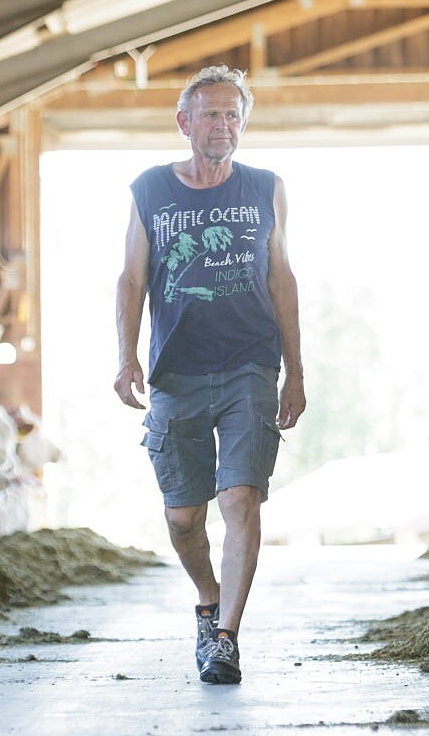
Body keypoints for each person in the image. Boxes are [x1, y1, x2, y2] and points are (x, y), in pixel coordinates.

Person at [113, 65, 305, 685]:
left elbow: (282, 277)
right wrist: (126, 356)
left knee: (240, 498)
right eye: (210, 114)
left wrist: (295, 371)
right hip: (176, 372)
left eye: (233, 115)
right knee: (184, 519)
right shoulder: (149, 190)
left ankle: (225, 637)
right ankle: (207, 597)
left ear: (243, 124)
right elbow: (131, 279)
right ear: (184, 123)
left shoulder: (266, 188)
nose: (222, 126)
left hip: (251, 363)